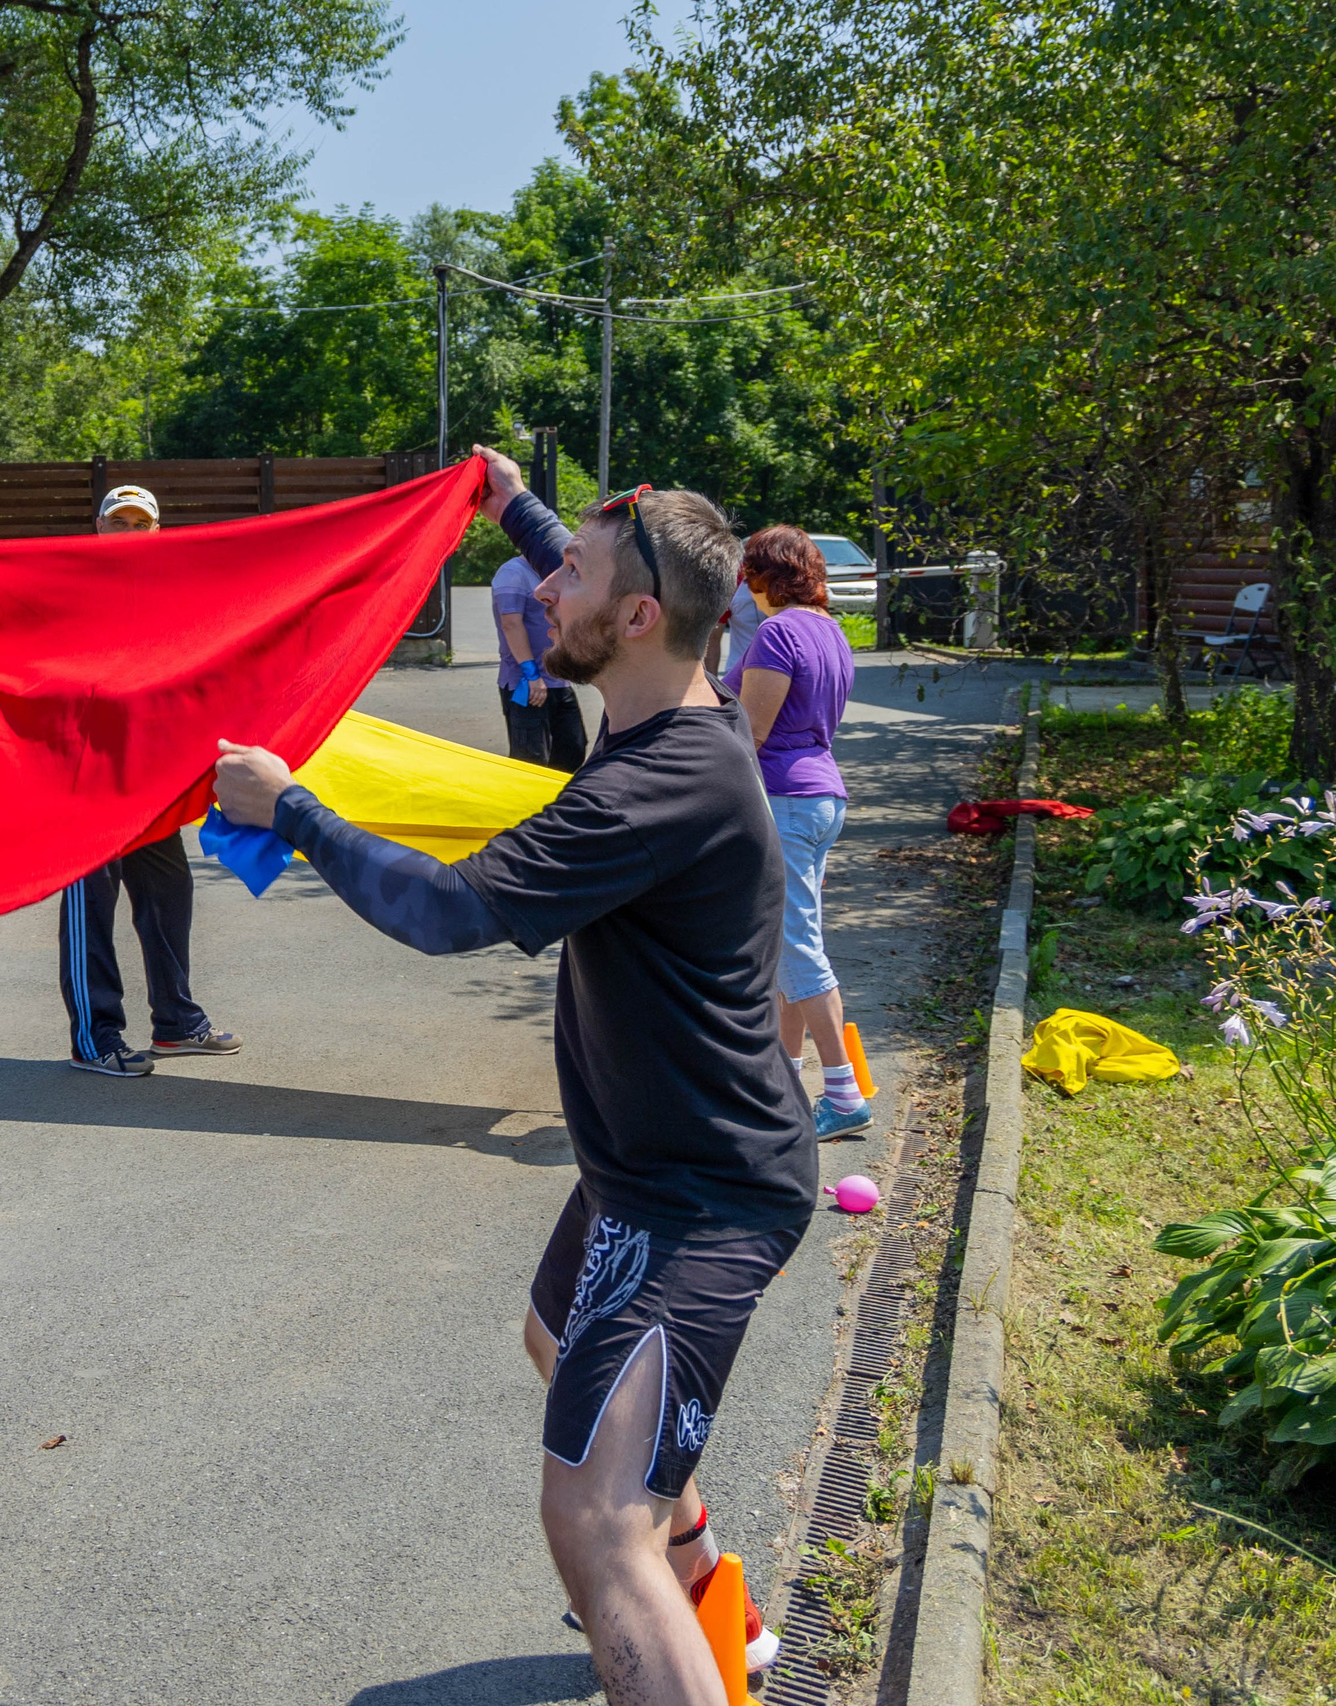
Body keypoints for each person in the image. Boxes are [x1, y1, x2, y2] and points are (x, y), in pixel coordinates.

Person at [213, 450, 811, 1703]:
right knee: (555, 1337)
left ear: (637, 618)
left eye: (572, 577)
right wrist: (511, 498)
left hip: (704, 1197)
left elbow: (444, 913)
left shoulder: (654, 786)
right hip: (638, 1171)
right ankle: (713, 1601)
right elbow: (583, 572)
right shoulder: (666, 702)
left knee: (595, 1517)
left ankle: (663, 1588)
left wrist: (295, 811)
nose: (546, 591)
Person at [56, 483, 241, 1077]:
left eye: (141, 523)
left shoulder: (173, 593)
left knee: (168, 895)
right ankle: (95, 1037)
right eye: (119, 522)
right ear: (99, 530)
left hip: (148, 777)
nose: (130, 532)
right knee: (92, 904)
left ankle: (176, 1024)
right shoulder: (73, 587)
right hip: (86, 777)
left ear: (158, 532)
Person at [733, 525, 868, 1138]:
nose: (745, 588)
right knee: (791, 945)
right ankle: (785, 1082)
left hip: (784, 797)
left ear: (765, 577)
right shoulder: (831, 632)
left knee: (798, 944)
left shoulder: (778, 632)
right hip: (821, 795)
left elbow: (751, 735)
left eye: (747, 576)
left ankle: (841, 1092)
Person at [492, 548, 587, 771]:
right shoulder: (512, 573)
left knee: (573, 746)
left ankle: (555, 800)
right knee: (530, 757)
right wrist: (532, 674)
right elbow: (511, 625)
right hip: (525, 683)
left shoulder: (555, 572)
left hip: (557, 678)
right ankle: (525, 804)